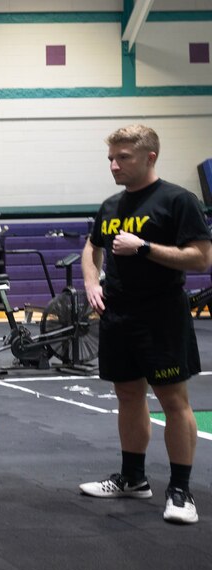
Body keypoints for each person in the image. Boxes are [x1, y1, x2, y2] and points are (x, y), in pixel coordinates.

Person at [78, 124, 212, 524]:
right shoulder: (111, 205)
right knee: (128, 396)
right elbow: (92, 247)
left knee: (174, 401)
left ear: (150, 157)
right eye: (111, 159)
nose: (114, 166)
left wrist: (146, 247)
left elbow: (202, 258)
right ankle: (133, 478)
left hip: (162, 314)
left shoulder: (178, 200)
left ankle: (181, 490)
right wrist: (90, 281)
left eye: (123, 158)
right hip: (119, 314)